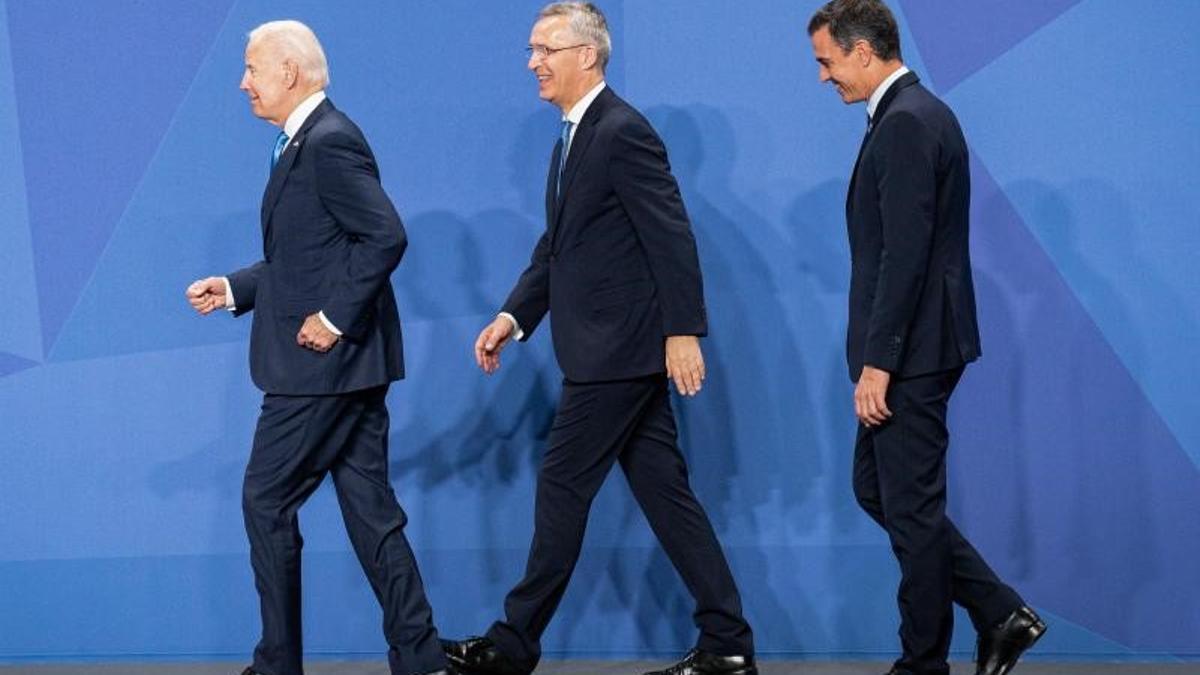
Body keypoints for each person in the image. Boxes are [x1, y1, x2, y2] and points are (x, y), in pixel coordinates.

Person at [440, 4, 756, 675]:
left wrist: (683, 331)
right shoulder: (574, 137)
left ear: (587, 54)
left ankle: (513, 642)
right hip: (610, 350)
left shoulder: (622, 131)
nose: (533, 63)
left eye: (543, 48)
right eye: (531, 49)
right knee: (667, 496)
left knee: (561, 486)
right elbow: (560, 246)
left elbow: (671, 236)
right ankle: (727, 641)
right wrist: (513, 316)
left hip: (617, 352)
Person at [184, 20, 450, 675]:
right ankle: (421, 660)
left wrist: (332, 318)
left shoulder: (329, 142)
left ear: (290, 72)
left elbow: (384, 237)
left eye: (252, 69)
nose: (243, 82)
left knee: (265, 499)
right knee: (371, 513)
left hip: (321, 366)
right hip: (346, 364)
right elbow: (306, 254)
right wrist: (236, 286)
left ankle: (278, 664)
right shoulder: (301, 141)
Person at [806, 2, 1047, 674]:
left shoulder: (909, 121)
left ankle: (923, 663)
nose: (824, 77)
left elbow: (905, 254)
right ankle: (998, 609)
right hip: (914, 347)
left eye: (827, 61)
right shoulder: (907, 115)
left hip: (910, 352)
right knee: (880, 491)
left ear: (862, 52)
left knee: (910, 510)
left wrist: (880, 361)